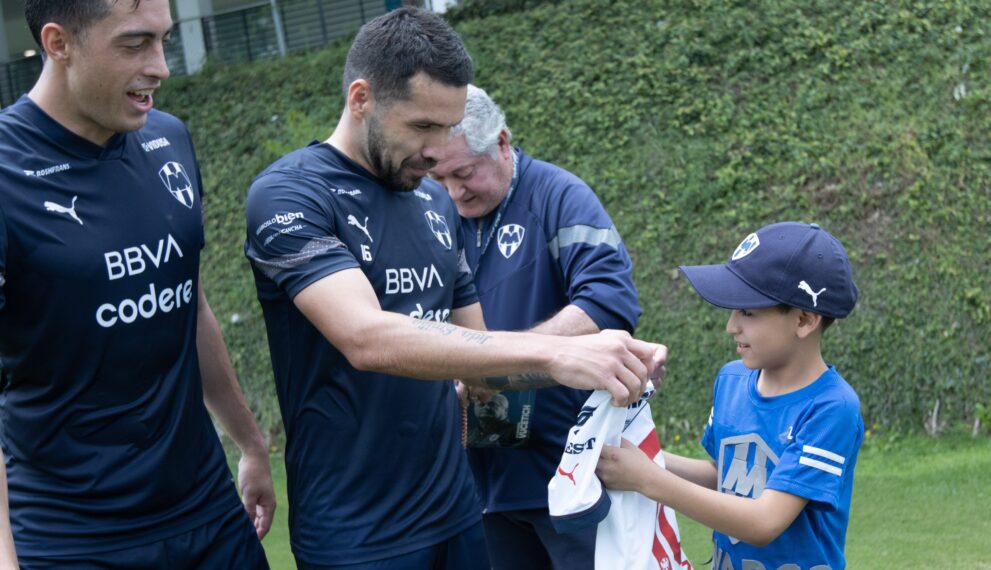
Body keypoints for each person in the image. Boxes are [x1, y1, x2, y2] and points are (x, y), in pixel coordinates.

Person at [243, 8, 664, 569]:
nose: (439, 152)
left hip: (458, 510)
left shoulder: (434, 202)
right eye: (422, 128)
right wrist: (559, 351)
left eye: (447, 128)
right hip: (359, 529)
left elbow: (480, 362)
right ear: (361, 99)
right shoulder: (291, 195)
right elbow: (367, 338)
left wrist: (607, 357)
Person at [0, 1, 275, 568]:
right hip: (72, 537)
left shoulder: (168, 138)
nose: (161, 66)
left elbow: (189, 308)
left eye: (165, 41)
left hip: (207, 510)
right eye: (135, 44)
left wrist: (250, 442)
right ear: (58, 43)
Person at [428, 85, 641, 570]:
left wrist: (499, 362)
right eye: (438, 177)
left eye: (463, 173)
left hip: (570, 473)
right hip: (476, 479)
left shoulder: (560, 196)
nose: (453, 192)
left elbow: (609, 303)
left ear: (502, 143)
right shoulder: (433, 214)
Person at [597, 221, 863, 570]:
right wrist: (645, 458)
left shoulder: (831, 407)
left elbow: (764, 522)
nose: (731, 326)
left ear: (803, 320)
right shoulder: (732, 379)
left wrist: (647, 479)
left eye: (748, 312)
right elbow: (724, 475)